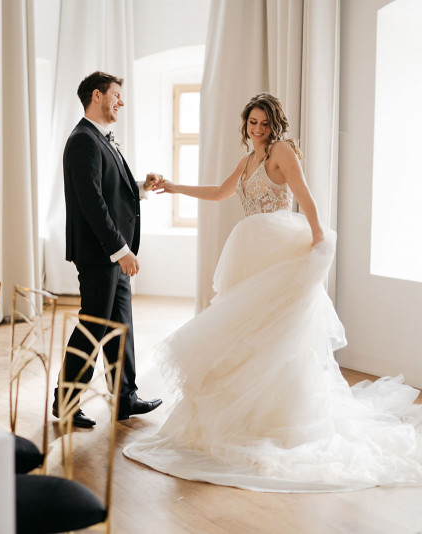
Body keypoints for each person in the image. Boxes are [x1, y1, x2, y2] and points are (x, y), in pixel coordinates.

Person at [123, 92, 422, 491]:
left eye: (264, 123)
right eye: (253, 123)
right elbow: (219, 193)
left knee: (277, 335)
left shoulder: (281, 151)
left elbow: (304, 194)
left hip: (279, 247)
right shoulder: (248, 160)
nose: (259, 129)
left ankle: (281, 420)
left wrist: (318, 236)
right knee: (246, 333)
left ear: (274, 124)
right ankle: (242, 416)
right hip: (250, 251)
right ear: (245, 125)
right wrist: (174, 188)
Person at [53, 71, 163, 429]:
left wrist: (141, 187)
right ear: (97, 96)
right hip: (100, 254)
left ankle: (124, 397)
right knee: (94, 327)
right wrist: (120, 249)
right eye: (117, 95)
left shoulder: (98, 139)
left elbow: (110, 189)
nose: (121, 102)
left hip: (109, 254)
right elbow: (92, 203)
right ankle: (65, 402)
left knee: (120, 326)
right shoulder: (83, 140)